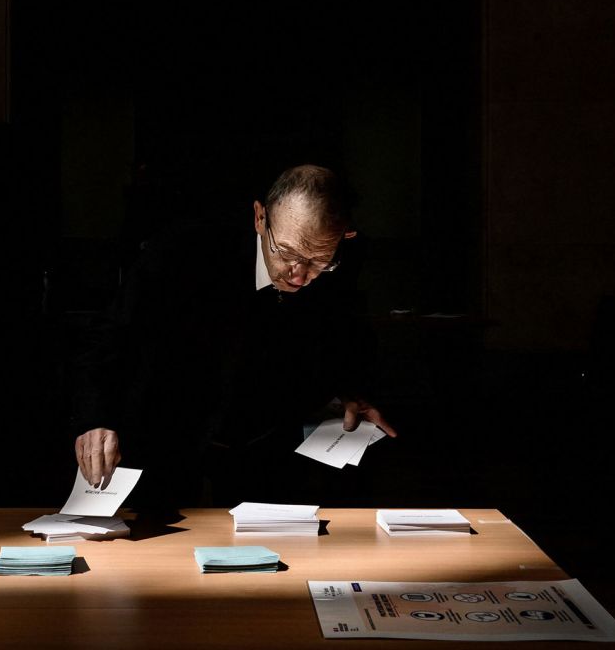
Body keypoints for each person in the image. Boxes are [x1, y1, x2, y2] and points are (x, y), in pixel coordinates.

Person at [71, 164, 396, 511]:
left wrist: (350, 396)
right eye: (286, 253)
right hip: (164, 435)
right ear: (260, 218)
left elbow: (345, 344)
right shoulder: (183, 252)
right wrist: (96, 418)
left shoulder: (339, 265)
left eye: (318, 261)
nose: (300, 275)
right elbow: (111, 335)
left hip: (266, 451)